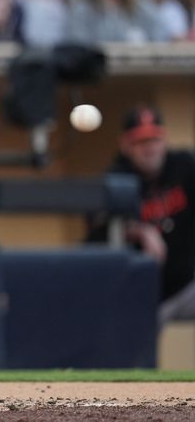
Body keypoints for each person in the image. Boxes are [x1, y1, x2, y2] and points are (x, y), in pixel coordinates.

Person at [86, 106, 195, 325]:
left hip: (187, 285)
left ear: (164, 141)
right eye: (140, 141)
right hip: (143, 298)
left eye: (154, 140)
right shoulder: (115, 178)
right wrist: (139, 231)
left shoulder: (184, 166)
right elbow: (96, 227)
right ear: (125, 145)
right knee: (133, 351)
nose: (150, 148)